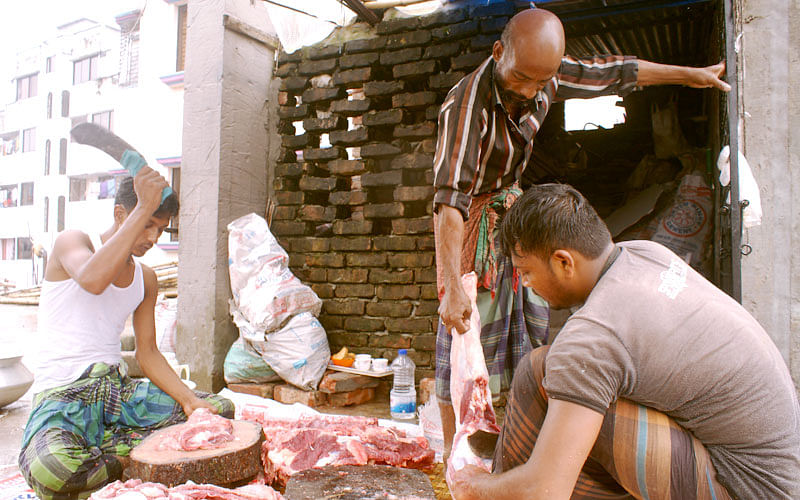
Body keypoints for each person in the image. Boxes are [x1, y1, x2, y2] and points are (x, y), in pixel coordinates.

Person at [433, 7, 731, 456]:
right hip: (470, 227)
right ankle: (452, 459)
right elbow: (448, 202)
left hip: (511, 214)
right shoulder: (466, 106)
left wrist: (690, 75)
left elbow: (615, 73)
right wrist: (450, 284)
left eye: (541, 82)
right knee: (465, 338)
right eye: (522, 79)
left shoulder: (545, 75)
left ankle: (516, 443)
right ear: (498, 53)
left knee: (530, 331)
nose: (531, 91)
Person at [447, 183, 800, 499]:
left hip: (747, 486)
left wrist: (476, 487)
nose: (524, 283)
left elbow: (546, 490)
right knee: (542, 370)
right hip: (773, 468)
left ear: (563, 262)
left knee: (558, 414)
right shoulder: (646, 254)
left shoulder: (593, 334)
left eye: (525, 272)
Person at [18, 168, 234, 500]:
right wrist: (143, 205)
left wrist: (192, 404)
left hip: (117, 395)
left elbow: (147, 353)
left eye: (160, 229)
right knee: (54, 470)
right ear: (121, 214)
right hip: (63, 396)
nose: (153, 238)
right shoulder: (73, 242)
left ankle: (109, 450)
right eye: (147, 223)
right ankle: (129, 457)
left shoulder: (145, 278)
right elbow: (93, 279)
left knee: (218, 410)